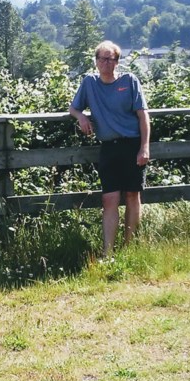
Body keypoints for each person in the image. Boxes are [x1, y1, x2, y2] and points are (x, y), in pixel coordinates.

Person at [69, 41, 151, 257]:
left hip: (132, 144)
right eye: (102, 59)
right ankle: (107, 252)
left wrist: (144, 147)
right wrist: (81, 117)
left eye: (111, 59)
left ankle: (129, 249)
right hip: (108, 147)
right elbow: (73, 107)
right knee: (109, 199)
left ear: (117, 62)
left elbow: (143, 116)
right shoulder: (89, 82)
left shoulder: (129, 81)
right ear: (96, 61)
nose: (106, 63)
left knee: (133, 195)